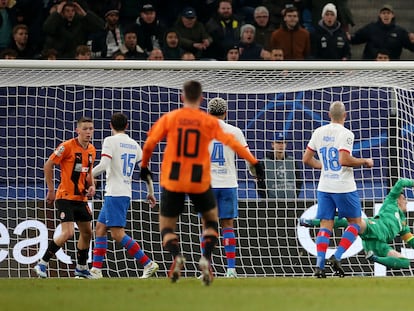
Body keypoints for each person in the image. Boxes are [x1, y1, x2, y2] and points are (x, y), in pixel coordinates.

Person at [139, 80, 264, 285]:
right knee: (223, 225)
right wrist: (255, 163)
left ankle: (182, 257)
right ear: (201, 98)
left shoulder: (172, 118)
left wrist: (144, 167)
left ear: (182, 97)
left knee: (173, 225)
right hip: (216, 182)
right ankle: (228, 268)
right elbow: (236, 146)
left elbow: (150, 143)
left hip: (182, 179)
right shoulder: (216, 126)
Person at [302, 101, 374, 278]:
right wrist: (364, 161)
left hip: (325, 186)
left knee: (325, 225)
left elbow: (306, 159)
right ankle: (337, 256)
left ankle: (319, 267)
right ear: (345, 115)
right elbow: (344, 160)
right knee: (355, 223)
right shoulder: (346, 133)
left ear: (328, 115)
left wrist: (325, 167)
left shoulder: (318, 132)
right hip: (343, 186)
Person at [90, 113, 159, 279]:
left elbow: (104, 165)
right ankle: (96, 270)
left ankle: (148, 263)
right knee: (100, 228)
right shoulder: (134, 145)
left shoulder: (109, 141)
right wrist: (151, 192)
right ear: (127, 126)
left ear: (110, 125)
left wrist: (87, 174)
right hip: (122, 192)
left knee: (117, 233)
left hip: (115, 193)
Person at [300, 178, 414, 270]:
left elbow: (410, 240)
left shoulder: (403, 224)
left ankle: (374, 258)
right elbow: (401, 182)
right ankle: (313, 222)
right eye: (404, 198)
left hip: (379, 245)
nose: (406, 201)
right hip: (374, 227)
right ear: (398, 198)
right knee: (353, 222)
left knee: (405, 263)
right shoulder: (391, 201)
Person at [34, 116, 96, 278]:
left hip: (81, 199)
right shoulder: (66, 147)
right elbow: (48, 164)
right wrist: (51, 189)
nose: (88, 132)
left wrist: (92, 186)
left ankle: (82, 268)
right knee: (68, 233)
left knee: (87, 233)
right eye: (85, 129)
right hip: (65, 197)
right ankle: (42, 262)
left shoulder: (92, 150)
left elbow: (88, 173)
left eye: (90, 129)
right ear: (77, 130)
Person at [201, 97, 254, 278]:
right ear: (225, 113)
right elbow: (248, 157)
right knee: (228, 226)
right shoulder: (234, 131)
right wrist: (254, 172)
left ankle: (207, 269)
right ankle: (231, 269)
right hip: (228, 184)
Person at [257, 132, 301, 199]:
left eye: (283, 143)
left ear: (286, 145)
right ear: (273, 144)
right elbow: (259, 184)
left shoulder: (292, 161)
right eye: (278, 142)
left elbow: (299, 181)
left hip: (290, 201)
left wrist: (295, 196)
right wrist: (266, 198)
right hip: (271, 202)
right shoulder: (264, 162)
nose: (281, 145)